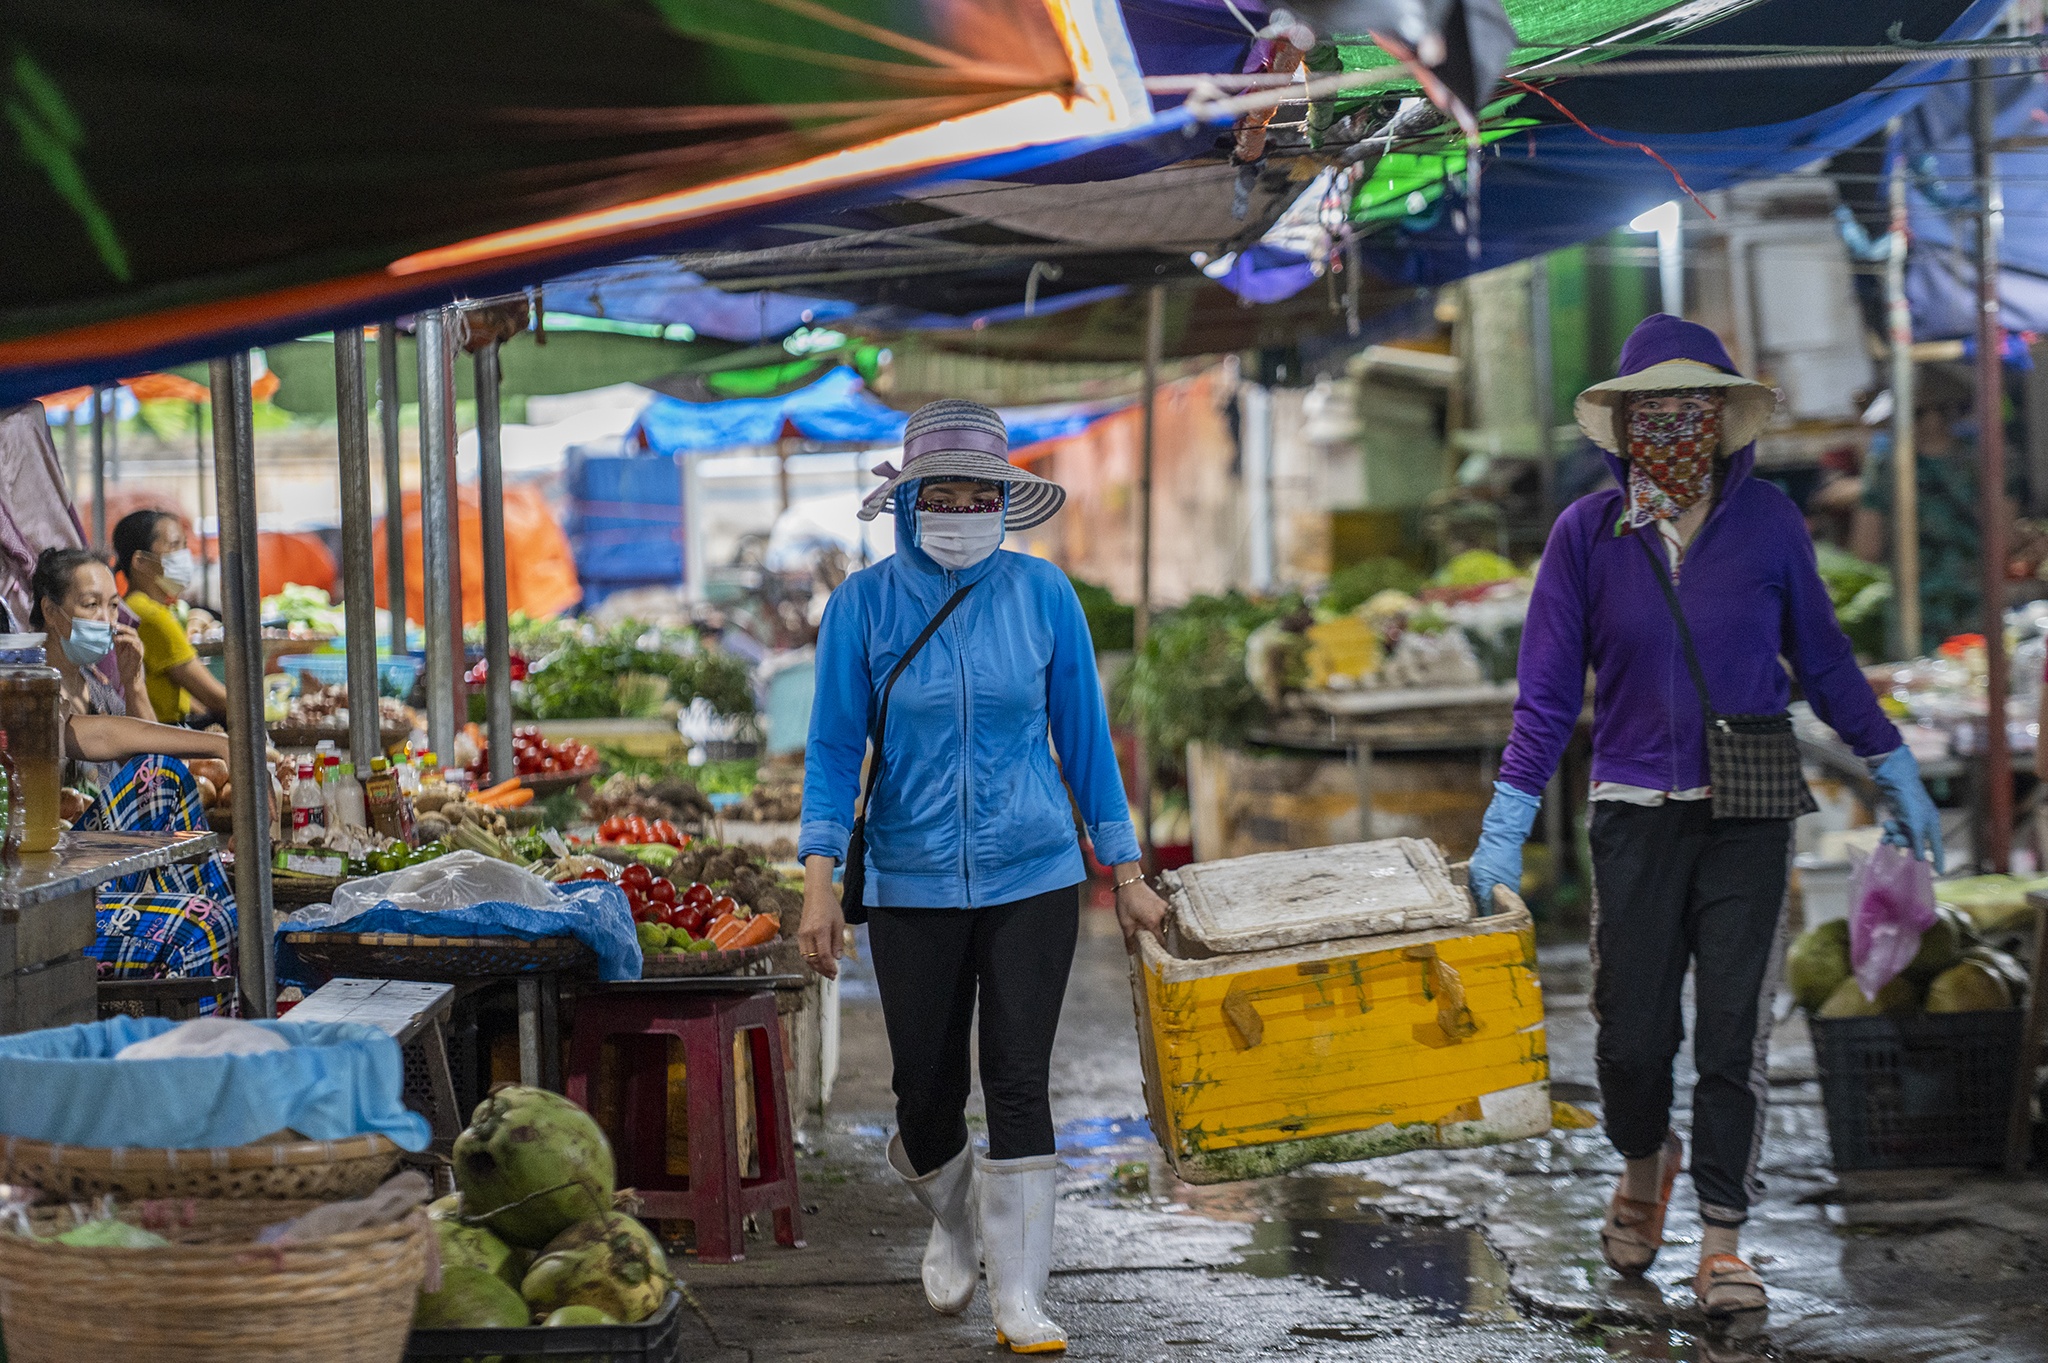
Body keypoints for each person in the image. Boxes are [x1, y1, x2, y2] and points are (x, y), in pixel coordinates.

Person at [1468, 317, 1942, 1317]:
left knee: (1733, 1037)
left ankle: (1722, 1238)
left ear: (1723, 419)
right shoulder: (1584, 537)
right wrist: (1508, 810)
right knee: (1630, 1040)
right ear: (1624, 425)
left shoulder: (1769, 522)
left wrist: (1886, 758)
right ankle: (1644, 1164)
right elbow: (1548, 693)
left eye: (1694, 408)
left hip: (1748, 816)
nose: (1675, 426)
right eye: (1656, 410)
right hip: (1632, 815)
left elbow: (1820, 659)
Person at [797, 399, 1166, 1355]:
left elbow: (1086, 740)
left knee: (1016, 1077)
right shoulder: (864, 605)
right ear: (911, 501)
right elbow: (835, 750)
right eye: (943, 494)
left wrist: (1124, 869)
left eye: (979, 494)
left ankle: (1022, 1294)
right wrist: (818, 878)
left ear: (1006, 502)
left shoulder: (1045, 597)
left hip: (1033, 870)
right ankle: (954, 1217)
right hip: (913, 878)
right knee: (923, 1091)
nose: (961, 509)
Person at [30, 547, 238, 1000]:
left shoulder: (96, 683)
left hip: (105, 863)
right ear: (50, 610)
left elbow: (140, 742)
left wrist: (134, 684)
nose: (106, 619)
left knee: (223, 912)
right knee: (159, 778)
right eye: (90, 605)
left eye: (111, 605)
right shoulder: (29, 687)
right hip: (58, 879)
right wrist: (220, 744)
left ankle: (229, 1029)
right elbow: (103, 740)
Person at [112, 509, 230, 725]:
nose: (184, 556)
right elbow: (215, 697)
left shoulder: (136, 606)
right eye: (175, 546)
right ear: (140, 561)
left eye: (184, 546)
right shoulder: (149, 615)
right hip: (163, 730)